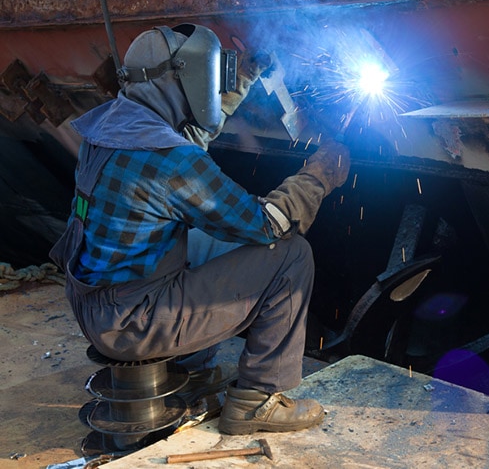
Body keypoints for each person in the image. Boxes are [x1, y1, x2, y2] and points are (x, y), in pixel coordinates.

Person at [49, 23, 349, 435]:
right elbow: (265, 225)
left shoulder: (110, 128)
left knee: (202, 239)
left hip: (93, 305)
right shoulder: (170, 160)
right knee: (290, 255)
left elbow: (187, 137)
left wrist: (244, 77)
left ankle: (193, 373)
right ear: (182, 78)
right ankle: (257, 400)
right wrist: (318, 178)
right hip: (133, 324)